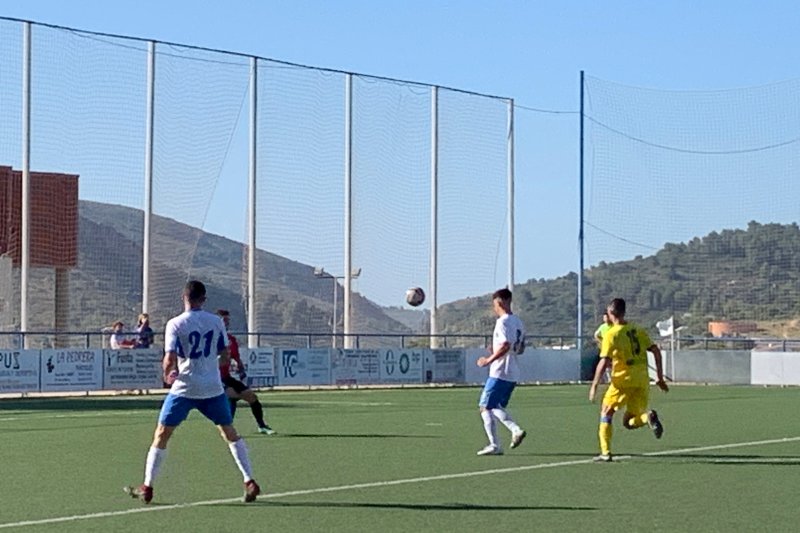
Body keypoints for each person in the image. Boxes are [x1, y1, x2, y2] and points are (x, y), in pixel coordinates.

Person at [125, 281, 261, 504]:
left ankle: (147, 487)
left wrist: (167, 375)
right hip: (212, 388)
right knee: (229, 432)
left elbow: (169, 359)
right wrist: (210, 368)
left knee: (162, 434)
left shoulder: (175, 323)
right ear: (203, 299)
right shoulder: (216, 321)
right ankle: (249, 480)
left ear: (184, 298)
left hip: (185, 387)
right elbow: (225, 356)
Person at [589, 297, 669, 462]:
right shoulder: (638, 329)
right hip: (641, 380)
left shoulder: (611, 334)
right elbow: (656, 351)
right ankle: (647, 417)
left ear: (610, 313)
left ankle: (605, 452)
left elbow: (604, 361)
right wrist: (660, 378)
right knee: (628, 422)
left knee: (606, 412)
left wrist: (594, 384)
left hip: (623, 380)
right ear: (624, 312)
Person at [475, 288, 527, 456]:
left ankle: (500, 441)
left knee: (484, 407)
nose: (494, 308)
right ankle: (507, 436)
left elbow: (505, 345)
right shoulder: (518, 322)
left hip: (500, 371)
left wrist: (488, 360)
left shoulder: (502, 322)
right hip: (512, 372)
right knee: (495, 407)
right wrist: (496, 350)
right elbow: (520, 349)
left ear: (500, 302)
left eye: (495, 304)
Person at [217, 309, 276, 435]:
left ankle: (262, 426)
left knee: (252, 397)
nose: (227, 323)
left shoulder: (231, 339)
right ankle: (228, 428)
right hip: (215, 378)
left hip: (226, 377)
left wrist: (241, 368)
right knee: (232, 395)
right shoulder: (211, 338)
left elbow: (236, 357)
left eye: (228, 320)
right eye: (224, 320)